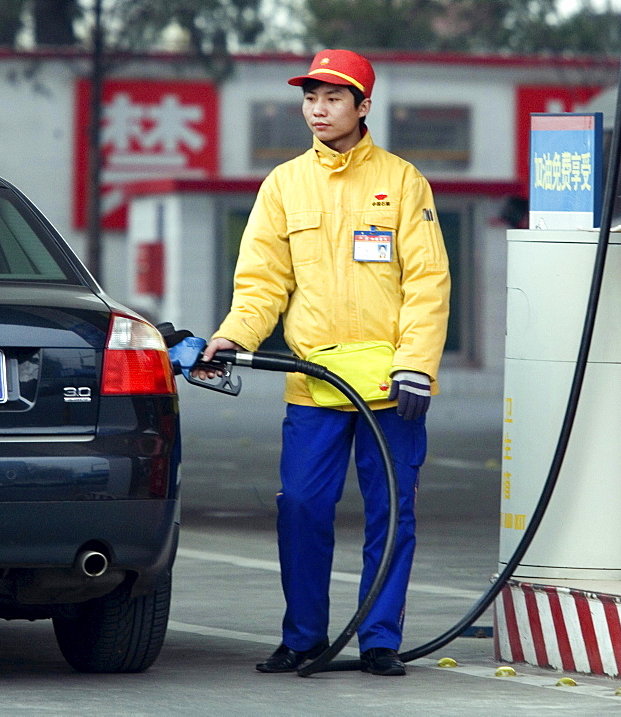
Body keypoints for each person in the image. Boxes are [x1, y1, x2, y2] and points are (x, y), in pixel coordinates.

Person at [194, 49, 450, 677]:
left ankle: (379, 639)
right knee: (303, 507)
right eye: (311, 97)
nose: (318, 109)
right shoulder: (283, 185)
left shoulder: (403, 181)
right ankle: (304, 635)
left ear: (364, 107)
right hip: (315, 381)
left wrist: (417, 363)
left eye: (333, 97)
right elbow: (261, 284)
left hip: (392, 385)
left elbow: (428, 281)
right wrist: (231, 337)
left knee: (392, 512)